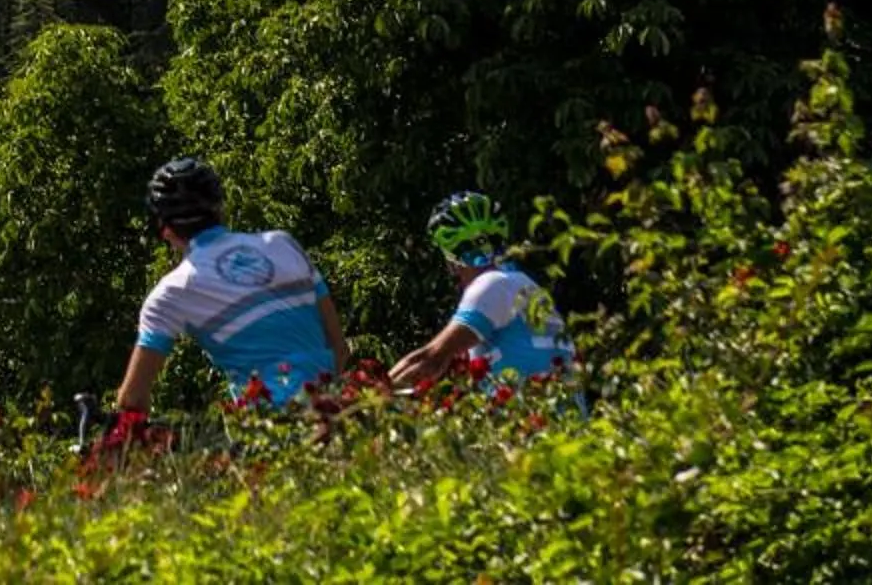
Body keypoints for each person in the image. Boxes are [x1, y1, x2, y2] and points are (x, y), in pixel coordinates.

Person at [110, 157, 350, 418]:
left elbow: (132, 400)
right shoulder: (284, 244)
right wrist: (328, 409)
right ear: (220, 209)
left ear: (165, 230)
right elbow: (339, 346)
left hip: (272, 432)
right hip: (340, 412)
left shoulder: (172, 292)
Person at [385, 190, 578, 394]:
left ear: (452, 260)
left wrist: (364, 401)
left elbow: (430, 359)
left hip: (537, 420)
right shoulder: (523, 284)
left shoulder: (491, 285)